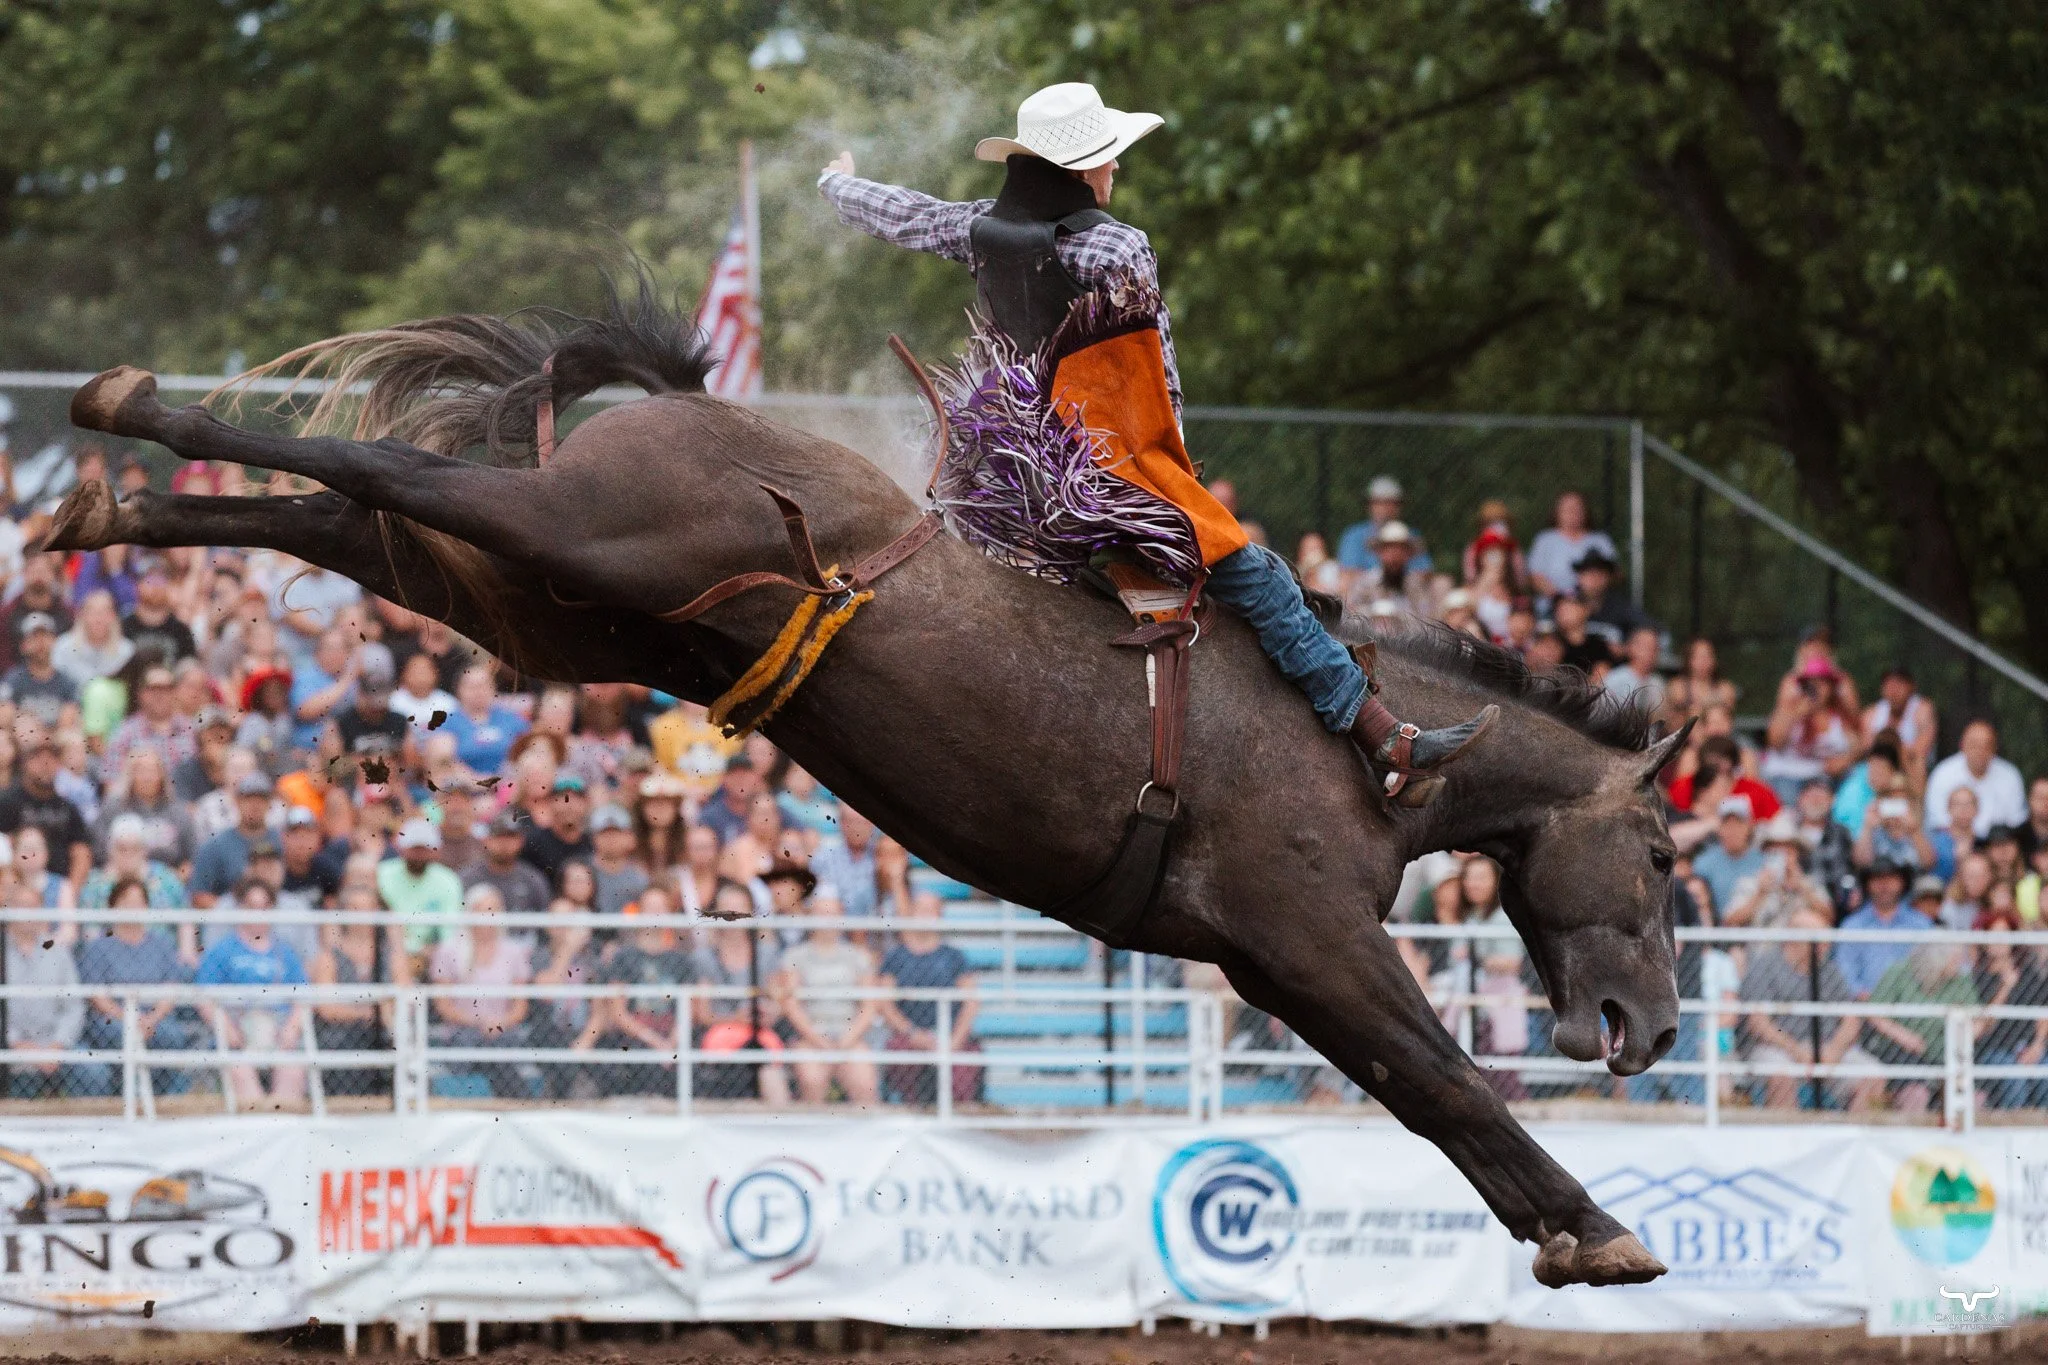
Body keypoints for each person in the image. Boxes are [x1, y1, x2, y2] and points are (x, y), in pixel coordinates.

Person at [818, 83, 1491, 801]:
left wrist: (838, 183)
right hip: (1100, 485)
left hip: (1007, 482)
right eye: (1109, 157)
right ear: (1081, 169)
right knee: (1261, 580)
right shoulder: (1119, 246)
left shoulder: (979, 226)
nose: (1117, 171)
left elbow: (907, 215)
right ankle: (1383, 735)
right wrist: (1170, 476)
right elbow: (1155, 380)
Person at [1735, 906, 1882, 1111]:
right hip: (1778, 1048)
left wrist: (1833, 1051)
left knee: (1873, 1075)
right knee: (1781, 1074)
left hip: (1826, 1049)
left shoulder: (1829, 971)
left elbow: (1851, 1020)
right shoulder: (1765, 966)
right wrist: (1797, 1050)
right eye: (1819, 941)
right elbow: (1759, 1024)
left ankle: (1852, 1138)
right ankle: (1786, 1140)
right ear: (1794, 939)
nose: (1826, 947)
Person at [77, 877, 203, 1094]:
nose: (132, 908)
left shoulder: (162, 944)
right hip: (114, 1019)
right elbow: (97, 996)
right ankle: (128, 1095)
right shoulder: (98, 946)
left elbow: (171, 989)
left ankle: (160, 1099)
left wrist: (151, 1018)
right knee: (122, 1035)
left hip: (154, 1019)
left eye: (138, 902)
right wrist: (129, 1018)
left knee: (171, 1036)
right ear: (112, 906)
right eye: (126, 902)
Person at [192, 879, 309, 1106]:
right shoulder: (222, 951)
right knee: (240, 1072)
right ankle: (256, 1129)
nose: (257, 914)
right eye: (251, 907)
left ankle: (281, 1128)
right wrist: (228, 1031)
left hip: (278, 1030)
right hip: (237, 1032)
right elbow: (204, 997)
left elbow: (302, 998)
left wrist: (290, 1031)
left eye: (264, 907)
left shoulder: (285, 953)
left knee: (293, 1071)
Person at [777, 881, 881, 1106]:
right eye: (821, 913)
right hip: (811, 1036)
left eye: (833, 913)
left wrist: (847, 1040)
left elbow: (869, 1005)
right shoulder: (795, 956)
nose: (827, 920)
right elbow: (791, 1005)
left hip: (849, 1036)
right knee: (812, 1081)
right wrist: (819, 1041)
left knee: (865, 1084)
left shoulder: (858, 956)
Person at [876, 886, 982, 1106]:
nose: (924, 915)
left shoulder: (954, 957)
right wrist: (913, 1034)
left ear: (939, 916)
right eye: (919, 909)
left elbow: (971, 1003)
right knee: (900, 1056)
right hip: (909, 1036)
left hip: (949, 1035)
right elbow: (884, 1004)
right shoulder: (896, 956)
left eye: (930, 910)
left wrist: (953, 1042)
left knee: (963, 1063)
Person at [426, 883, 534, 1099]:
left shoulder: (514, 952)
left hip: (502, 1031)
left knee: (498, 1046)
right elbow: (443, 1006)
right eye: (482, 910)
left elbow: (520, 1008)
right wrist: (480, 1022)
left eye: (493, 910)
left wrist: (499, 1023)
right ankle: (520, 1101)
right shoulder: (448, 950)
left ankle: (513, 1101)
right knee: (486, 1050)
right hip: (462, 1032)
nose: (488, 917)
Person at [691, 879, 792, 1105]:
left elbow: (780, 999)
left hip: (759, 1033)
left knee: (766, 1063)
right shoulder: (704, 958)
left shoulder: (766, 953)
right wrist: (735, 1018)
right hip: (721, 1034)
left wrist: (769, 1012)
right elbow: (702, 1014)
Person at [590, 885, 695, 1096]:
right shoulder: (623, 957)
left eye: (661, 907)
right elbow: (618, 1013)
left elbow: (689, 1011)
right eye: (650, 907)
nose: (655, 913)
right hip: (635, 1038)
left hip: (671, 1036)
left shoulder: (681, 960)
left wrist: (671, 1044)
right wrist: (656, 1043)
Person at [3, 893, 99, 1098]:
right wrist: (18, 1044)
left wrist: (57, 1046)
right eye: (21, 906)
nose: (27, 913)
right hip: (11, 1046)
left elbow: (74, 1006)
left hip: (58, 1046)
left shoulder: (57, 951)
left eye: (33, 907)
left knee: (94, 1072)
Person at [1864, 945, 1979, 1114]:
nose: (1961, 963)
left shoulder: (1960, 980)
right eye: (1955, 959)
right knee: (1917, 1093)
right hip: (1901, 1050)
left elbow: (1977, 1018)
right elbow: (1874, 1013)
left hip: (1946, 1051)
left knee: (1970, 1088)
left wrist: (1964, 1037)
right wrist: (1904, 1036)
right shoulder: (1899, 972)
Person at [308, 886, 399, 1097]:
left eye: (368, 908)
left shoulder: (392, 956)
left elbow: (404, 998)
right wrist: (367, 1013)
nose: (361, 915)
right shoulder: (329, 958)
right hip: (341, 1036)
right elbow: (326, 1008)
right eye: (354, 908)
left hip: (384, 1033)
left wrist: (381, 1013)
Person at [1760, 656, 1862, 805]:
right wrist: (1795, 716)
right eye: (1810, 682)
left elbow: (1858, 744)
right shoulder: (1789, 708)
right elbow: (1774, 742)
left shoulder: (1840, 714)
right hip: (1788, 775)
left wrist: (1845, 760)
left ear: (1831, 687)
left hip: (1825, 778)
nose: (1816, 687)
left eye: (1822, 682)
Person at [0, 738, 93, 889]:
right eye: (38, 759)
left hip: (58, 888)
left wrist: (70, 893)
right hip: (15, 887)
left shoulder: (68, 807)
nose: (46, 765)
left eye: (52, 759)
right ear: (26, 763)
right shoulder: (7, 802)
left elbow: (81, 852)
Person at [1835, 861, 1934, 1000]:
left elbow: (1932, 968)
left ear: (1902, 882)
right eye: (1877, 879)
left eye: (1891, 878)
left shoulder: (1921, 924)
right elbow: (1845, 970)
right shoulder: (1852, 926)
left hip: (1914, 1006)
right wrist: (1861, 996)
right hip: (1863, 1008)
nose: (1884, 885)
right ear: (1867, 884)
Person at [1720, 813, 1834, 929]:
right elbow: (1729, 921)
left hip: (1796, 946)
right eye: (1775, 853)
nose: (1782, 859)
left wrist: (1803, 889)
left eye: (1787, 852)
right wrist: (1760, 894)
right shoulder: (1750, 883)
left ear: (1797, 854)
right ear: (1765, 854)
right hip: (1759, 946)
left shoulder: (1809, 883)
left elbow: (1829, 918)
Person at [1923, 719, 2027, 836]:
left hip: (1996, 844)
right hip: (1953, 843)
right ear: (1962, 745)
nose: (1980, 751)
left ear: (1995, 748)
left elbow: (2016, 822)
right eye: (1974, 745)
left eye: (1986, 745)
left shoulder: (2010, 775)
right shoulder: (1943, 773)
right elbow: (1938, 821)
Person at [188, 772, 278, 907]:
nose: (255, 805)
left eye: (261, 799)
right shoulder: (215, 846)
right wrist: (237, 913)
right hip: (230, 922)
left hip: (278, 919)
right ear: (236, 801)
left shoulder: (281, 842)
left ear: (270, 803)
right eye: (248, 798)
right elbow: (199, 895)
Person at [378, 818, 466, 954]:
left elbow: (449, 933)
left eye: (424, 849)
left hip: (431, 954)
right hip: (388, 950)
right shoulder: (382, 874)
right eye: (414, 848)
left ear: (435, 850)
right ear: (402, 848)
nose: (419, 855)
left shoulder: (447, 880)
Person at [461, 810, 553, 918]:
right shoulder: (468, 877)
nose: (504, 843)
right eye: (499, 836)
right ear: (487, 840)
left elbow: (545, 923)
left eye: (510, 837)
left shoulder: (533, 880)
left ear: (521, 841)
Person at [441, 665, 528, 779]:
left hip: (508, 785)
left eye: (484, 685)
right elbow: (443, 760)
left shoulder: (511, 718)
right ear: (459, 690)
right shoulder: (449, 722)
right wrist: (476, 781)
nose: (479, 691)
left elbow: (528, 751)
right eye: (472, 686)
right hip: (464, 788)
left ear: (494, 688)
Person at [1526, 491, 1616, 600]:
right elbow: (1535, 577)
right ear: (1557, 512)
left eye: (1577, 508)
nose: (1573, 513)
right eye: (1568, 509)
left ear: (1586, 511)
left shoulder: (1600, 540)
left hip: (1594, 605)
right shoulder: (1544, 540)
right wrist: (1560, 599)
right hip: (1552, 606)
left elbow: (1613, 573)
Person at [1336, 476, 1433, 576]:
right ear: (1370, 505)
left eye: (1391, 503)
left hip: (1405, 587)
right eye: (1379, 503)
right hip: (1367, 588)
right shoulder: (1354, 535)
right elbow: (1348, 573)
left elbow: (1424, 571)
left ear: (1399, 506)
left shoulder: (1411, 535)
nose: (1385, 509)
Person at [0, 613, 78, 731]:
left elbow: (68, 719)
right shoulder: (13, 679)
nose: (41, 643)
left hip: (56, 739)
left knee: (73, 740)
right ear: (23, 645)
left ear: (55, 641)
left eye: (45, 636)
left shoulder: (67, 681)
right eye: (34, 637)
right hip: (22, 739)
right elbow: (4, 717)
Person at [1864, 665, 1937, 787]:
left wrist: (1888, 748)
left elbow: (1921, 750)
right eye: (1889, 686)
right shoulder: (1872, 713)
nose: (1894, 691)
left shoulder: (1922, 709)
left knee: (1917, 763)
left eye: (1899, 685)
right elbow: (1867, 748)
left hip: (1911, 770)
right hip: (1881, 770)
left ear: (1911, 687)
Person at [1691, 796, 1766, 913]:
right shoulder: (1704, 862)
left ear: (1749, 826)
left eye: (1738, 823)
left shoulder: (1764, 861)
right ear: (1719, 827)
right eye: (1727, 824)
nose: (1733, 830)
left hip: (1756, 927)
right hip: (1714, 929)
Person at [520, 773, 594, 887]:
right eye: (562, 798)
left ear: (586, 803)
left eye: (576, 799)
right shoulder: (533, 843)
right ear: (550, 802)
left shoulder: (593, 845)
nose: (569, 805)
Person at [588, 803, 649, 914]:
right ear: (594, 838)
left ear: (629, 837)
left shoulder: (640, 876)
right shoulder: (582, 872)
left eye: (617, 833)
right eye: (604, 833)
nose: (611, 839)